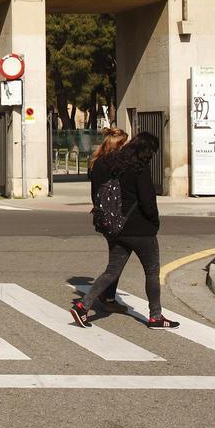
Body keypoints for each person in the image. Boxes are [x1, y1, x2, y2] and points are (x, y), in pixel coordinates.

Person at [71, 132, 180, 330]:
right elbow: (148, 202)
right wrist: (154, 222)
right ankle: (155, 316)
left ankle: (82, 306)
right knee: (152, 272)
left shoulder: (114, 164)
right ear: (147, 151)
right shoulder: (140, 168)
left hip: (117, 227)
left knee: (112, 271)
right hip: (141, 230)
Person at [86, 127, 129, 313]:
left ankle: (108, 295)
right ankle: (103, 296)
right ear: (119, 144)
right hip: (115, 214)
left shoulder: (97, 161)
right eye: (126, 144)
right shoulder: (115, 163)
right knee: (117, 259)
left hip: (102, 214)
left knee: (116, 256)